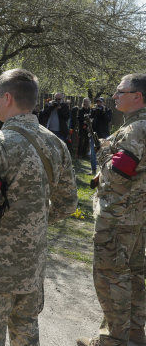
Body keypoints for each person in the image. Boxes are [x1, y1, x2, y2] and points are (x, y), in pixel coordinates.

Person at [0, 68, 77, 346]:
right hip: (32, 266)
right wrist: (34, 219)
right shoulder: (56, 143)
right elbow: (68, 204)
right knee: (26, 337)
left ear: (8, 98)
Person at [77, 74, 146, 346]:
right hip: (138, 217)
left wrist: (105, 153)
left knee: (110, 279)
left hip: (118, 218)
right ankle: (135, 335)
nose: (115, 96)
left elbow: (118, 174)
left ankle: (112, 340)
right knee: (135, 276)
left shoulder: (134, 129)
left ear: (137, 96)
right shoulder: (136, 127)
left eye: (120, 91)